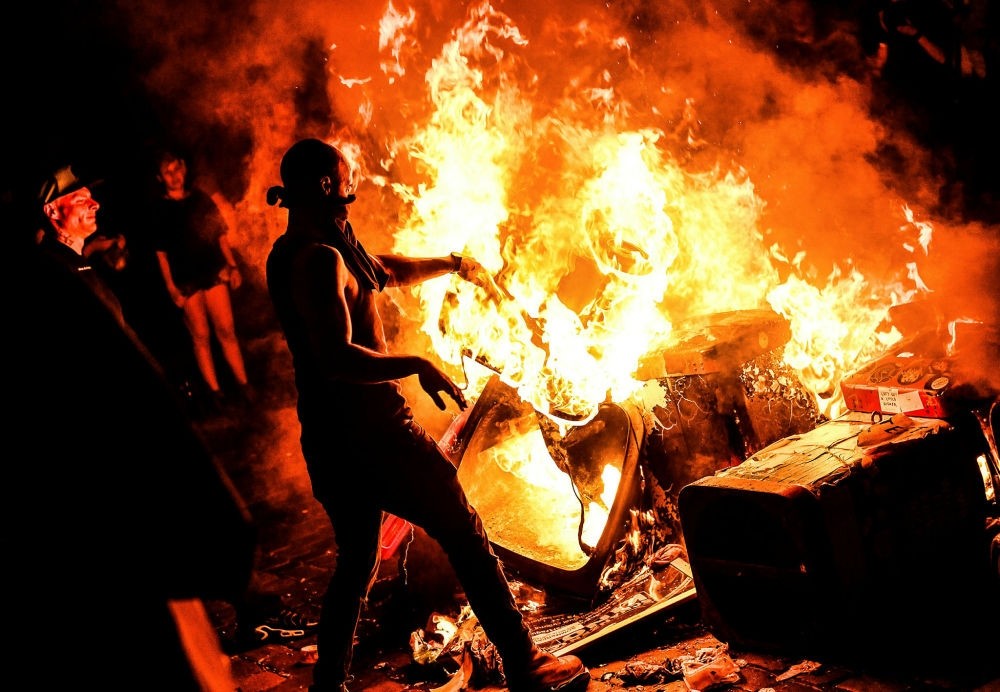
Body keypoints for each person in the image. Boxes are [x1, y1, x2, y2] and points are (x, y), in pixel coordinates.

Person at [264, 137, 591, 692]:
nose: (353, 186)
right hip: (372, 433)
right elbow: (334, 357)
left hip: (329, 436)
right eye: (346, 178)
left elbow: (382, 271)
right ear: (325, 184)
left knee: (356, 561)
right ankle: (525, 664)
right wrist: (414, 363)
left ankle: (327, 687)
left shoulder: (309, 246)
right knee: (463, 530)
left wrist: (455, 265)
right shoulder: (318, 259)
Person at [10, 162, 258, 689]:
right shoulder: (55, 279)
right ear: (52, 211)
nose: (95, 204)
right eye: (82, 199)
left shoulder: (73, 265)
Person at [151, 147, 252, 413]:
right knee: (201, 336)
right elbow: (161, 254)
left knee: (226, 330)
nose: (175, 176)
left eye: (177, 169)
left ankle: (245, 387)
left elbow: (220, 235)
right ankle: (215, 393)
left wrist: (232, 266)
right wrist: (171, 288)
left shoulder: (199, 198)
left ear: (184, 168)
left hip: (212, 271)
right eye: (167, 172)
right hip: (185, 279)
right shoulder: (160, 209)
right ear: (160, 178)